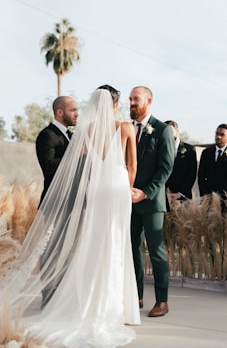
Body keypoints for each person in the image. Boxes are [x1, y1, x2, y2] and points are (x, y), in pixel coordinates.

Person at [0, 86, 140, 348]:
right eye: (73, 109)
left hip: (96, 190)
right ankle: (116, 304)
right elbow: (131, 166)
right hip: (118, 188)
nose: (77, 113)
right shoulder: (124, 128)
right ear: (115, 104)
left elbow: (86, 166)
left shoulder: (86, 132)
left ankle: (90, 300)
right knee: (116, 242)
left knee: (95, 243)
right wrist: (127, 186)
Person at [130, 86, 175, 318]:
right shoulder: (128, 128)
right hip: (129, 201)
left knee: (156, 251)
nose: (131, 103)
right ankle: (136, 296)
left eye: (135, 99)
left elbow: (166, 168)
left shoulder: (162, 130)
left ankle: (162, 301)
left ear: (148, 101)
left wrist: (145, 193)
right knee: (133, 249)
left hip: (151, 201)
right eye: (129, 99)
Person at [36, 95, 78, 205]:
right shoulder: (47, 135)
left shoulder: (71, 135)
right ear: (60, 112)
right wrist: (76, 154)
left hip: (72, 201)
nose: (77, 114)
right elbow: (49, 167)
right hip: (54, 202)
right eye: (73, 110)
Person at [198, 123, 227, 213]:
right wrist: (206, 194)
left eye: (222, 135)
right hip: (207, 198)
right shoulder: (206, 152)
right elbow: (201, 175)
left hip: (225, 198)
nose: (218, 137)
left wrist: (216, 195)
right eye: (217, 133)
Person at [165, 120, 197, 205]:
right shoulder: (161, 150)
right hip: (165, 196)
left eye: (170, 131)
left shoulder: (190, 150)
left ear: (177, 130)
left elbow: (192, 174)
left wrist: (181, 193)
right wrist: (165, 193)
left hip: (183, 196)